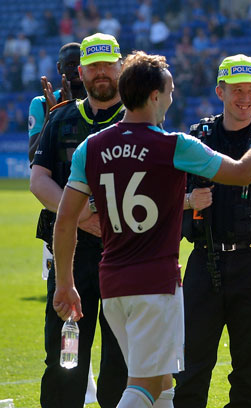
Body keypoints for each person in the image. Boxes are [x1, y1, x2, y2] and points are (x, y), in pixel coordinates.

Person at [51, 50, 251, 408]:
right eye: (169, 90)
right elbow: (243, 172)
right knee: (145, 385)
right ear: (154, 95)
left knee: (164, 383)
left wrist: (65, 282)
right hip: (156, 284)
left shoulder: (91, 147)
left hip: (113, 283)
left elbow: (64, 222)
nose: (172, 97)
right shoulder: (174, 145)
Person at [173, 54, 251, 408]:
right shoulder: (197, 137)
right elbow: (169, 200)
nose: (245, 98)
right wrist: (189, 201)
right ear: (220, 91)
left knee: (250, 370)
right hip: (205, 261)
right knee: (190, 368)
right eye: (237, 90)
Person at [29, 33, 128, 408]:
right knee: (63, 357)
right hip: (71, 257)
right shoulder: (62, 118)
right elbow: (39, 180)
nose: (101, 73)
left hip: (125, 257)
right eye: (93, 66)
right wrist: (82, 216)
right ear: (81, 71)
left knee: (120, 361)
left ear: (120, 67)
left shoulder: (138, 118)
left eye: (108, 64)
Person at [27, 40, 98, 406]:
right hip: (63, 229)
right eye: (66, 65)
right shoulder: (44, 104)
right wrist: (58, 111)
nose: (72, 71)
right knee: (65, 333)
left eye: (77, 64)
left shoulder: (113, 104)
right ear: (58, 70)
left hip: (106, 236)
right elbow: (35, 160)